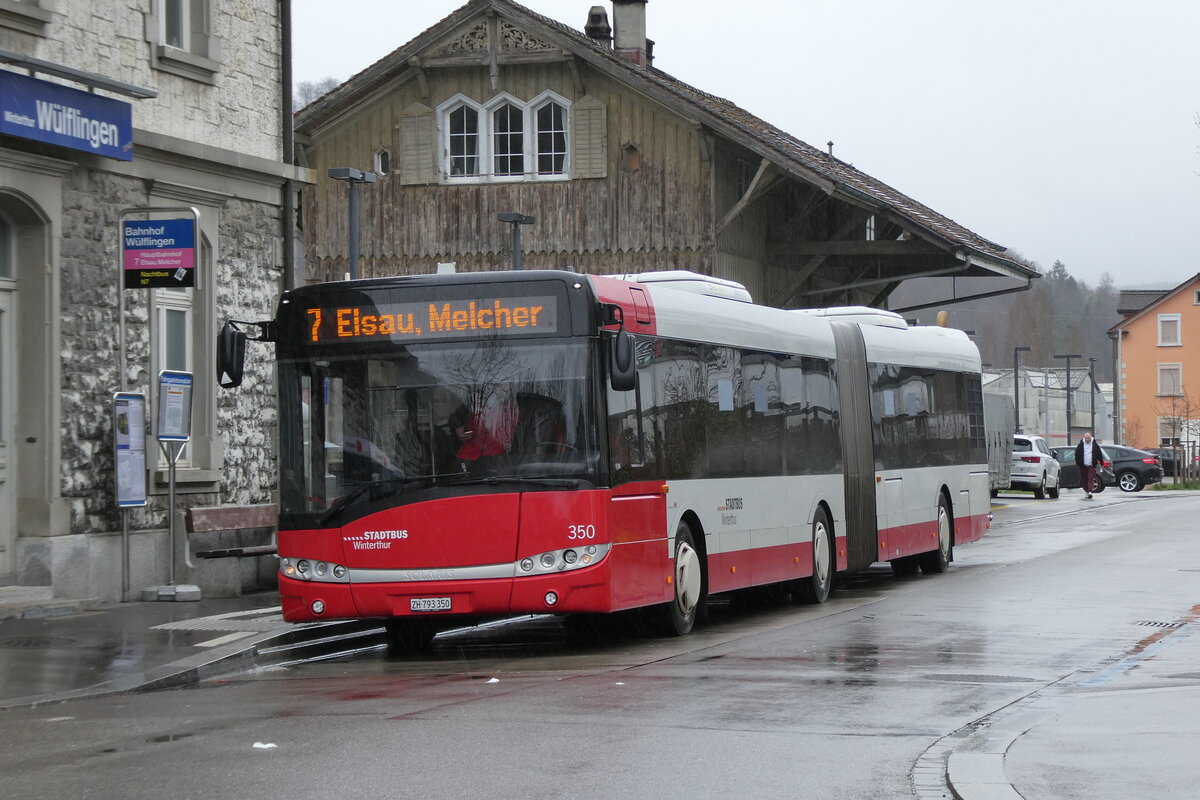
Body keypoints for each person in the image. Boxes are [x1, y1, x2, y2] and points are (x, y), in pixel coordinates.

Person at [449, 385, 520, 471]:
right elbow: (455, 419)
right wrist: (457, 429)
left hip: (498, 462)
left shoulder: (512, 409)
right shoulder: (473, 402)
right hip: (469, 460)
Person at [1074, 431, 1107, 500]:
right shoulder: (1080, 445)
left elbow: (1099, 454)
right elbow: (1077, 454)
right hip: (1083, 465)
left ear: (1091, 438)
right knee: (1084, 479)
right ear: (1084, 438)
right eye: (1086, 438)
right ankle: (1086, 490)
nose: (1087, 440)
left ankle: (1090, 491)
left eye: (1088, 438)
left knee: (1090, 478)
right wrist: (1078, 463)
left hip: (1092, 465)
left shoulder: (1095, 445)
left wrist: (1102, 463)